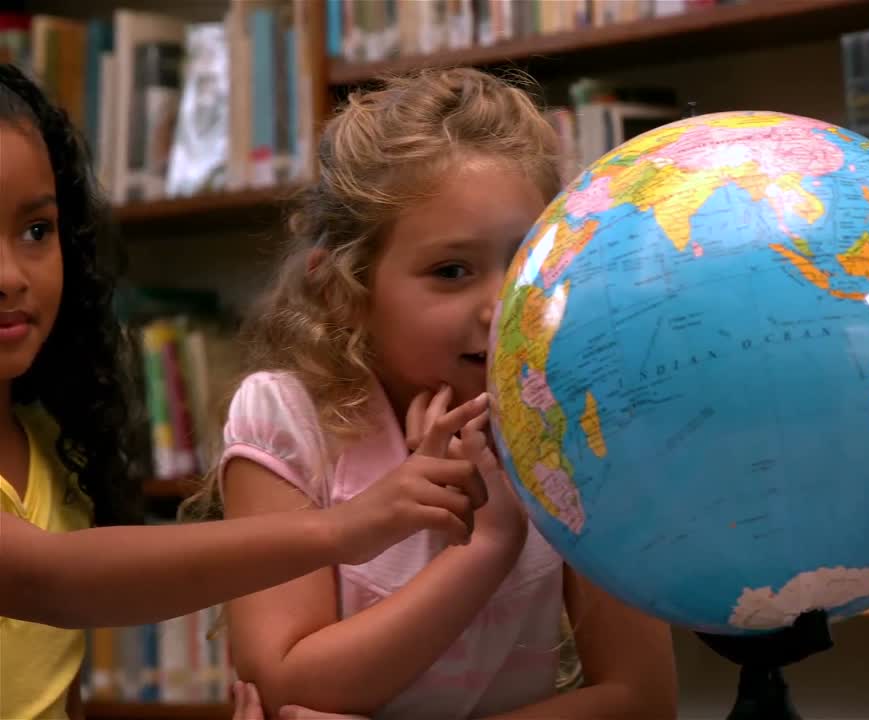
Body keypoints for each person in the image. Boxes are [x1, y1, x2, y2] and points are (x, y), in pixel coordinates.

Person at [0, 63, 484, 720]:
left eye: (36, 231)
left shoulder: (49, 439)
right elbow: (49, 580)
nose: (10, 275)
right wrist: (346, 528)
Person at [212, 67, 677, 719]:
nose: (500, 304)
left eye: (523, 262)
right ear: (347, 292)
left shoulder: (581, 421)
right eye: (451, 271)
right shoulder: (289, 420)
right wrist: (483, 552)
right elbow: (288, 683)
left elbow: (642, 699)